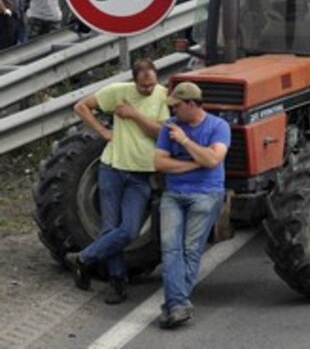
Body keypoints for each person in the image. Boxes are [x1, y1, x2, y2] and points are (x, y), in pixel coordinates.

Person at [67, 58, 169, 305]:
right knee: (110, 229)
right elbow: (81, 106)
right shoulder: (117, 92)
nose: (148, 89)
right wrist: (102, 131)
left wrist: (133, 114)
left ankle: (82, 258)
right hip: (112, 168)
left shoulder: (162, 95)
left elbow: (161, 132)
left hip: (140, 174)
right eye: (143, 86)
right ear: (134, 81)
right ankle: (117, 282)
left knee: (130, 230)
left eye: (152, 84)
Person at [153, 82, 230, 329]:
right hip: (174, 194)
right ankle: (178, 305)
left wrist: (185, 142)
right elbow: (160, 164)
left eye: (176, 106)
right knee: (170, 249)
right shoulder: (169, 127)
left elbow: (214, 158)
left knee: (190, 249)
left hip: (206, 195)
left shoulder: (219, 127)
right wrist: (195, 163)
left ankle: (174, 304)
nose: (173, 111)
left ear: (190, 104)